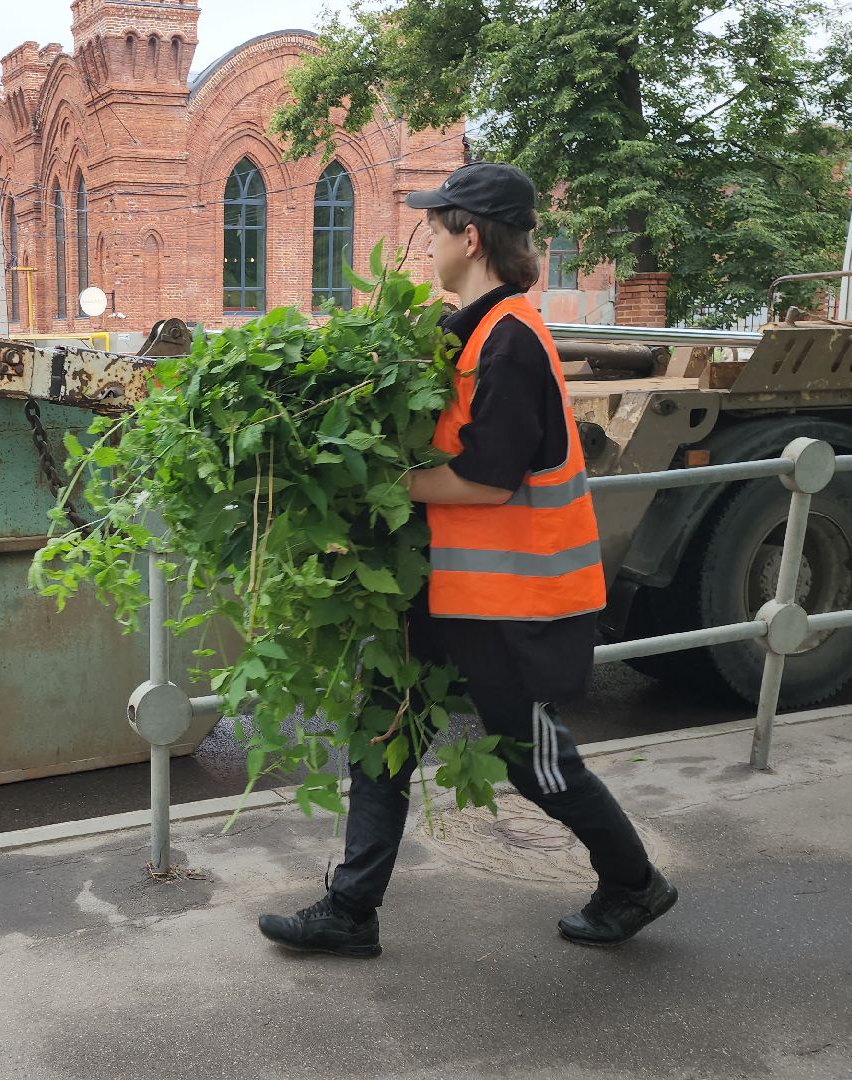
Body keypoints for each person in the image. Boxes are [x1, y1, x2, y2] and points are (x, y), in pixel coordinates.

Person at [257, 162, 677, 957]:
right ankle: (351, 911)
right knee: (385, 729)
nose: (424, 245)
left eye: (433, 227)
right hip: (448, 587)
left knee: (533, 761)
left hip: (513, 600)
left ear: (471, 235)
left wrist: (381, 485)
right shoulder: (469, 328)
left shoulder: (511, 341)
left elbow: (486, 482)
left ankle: (633, 882)